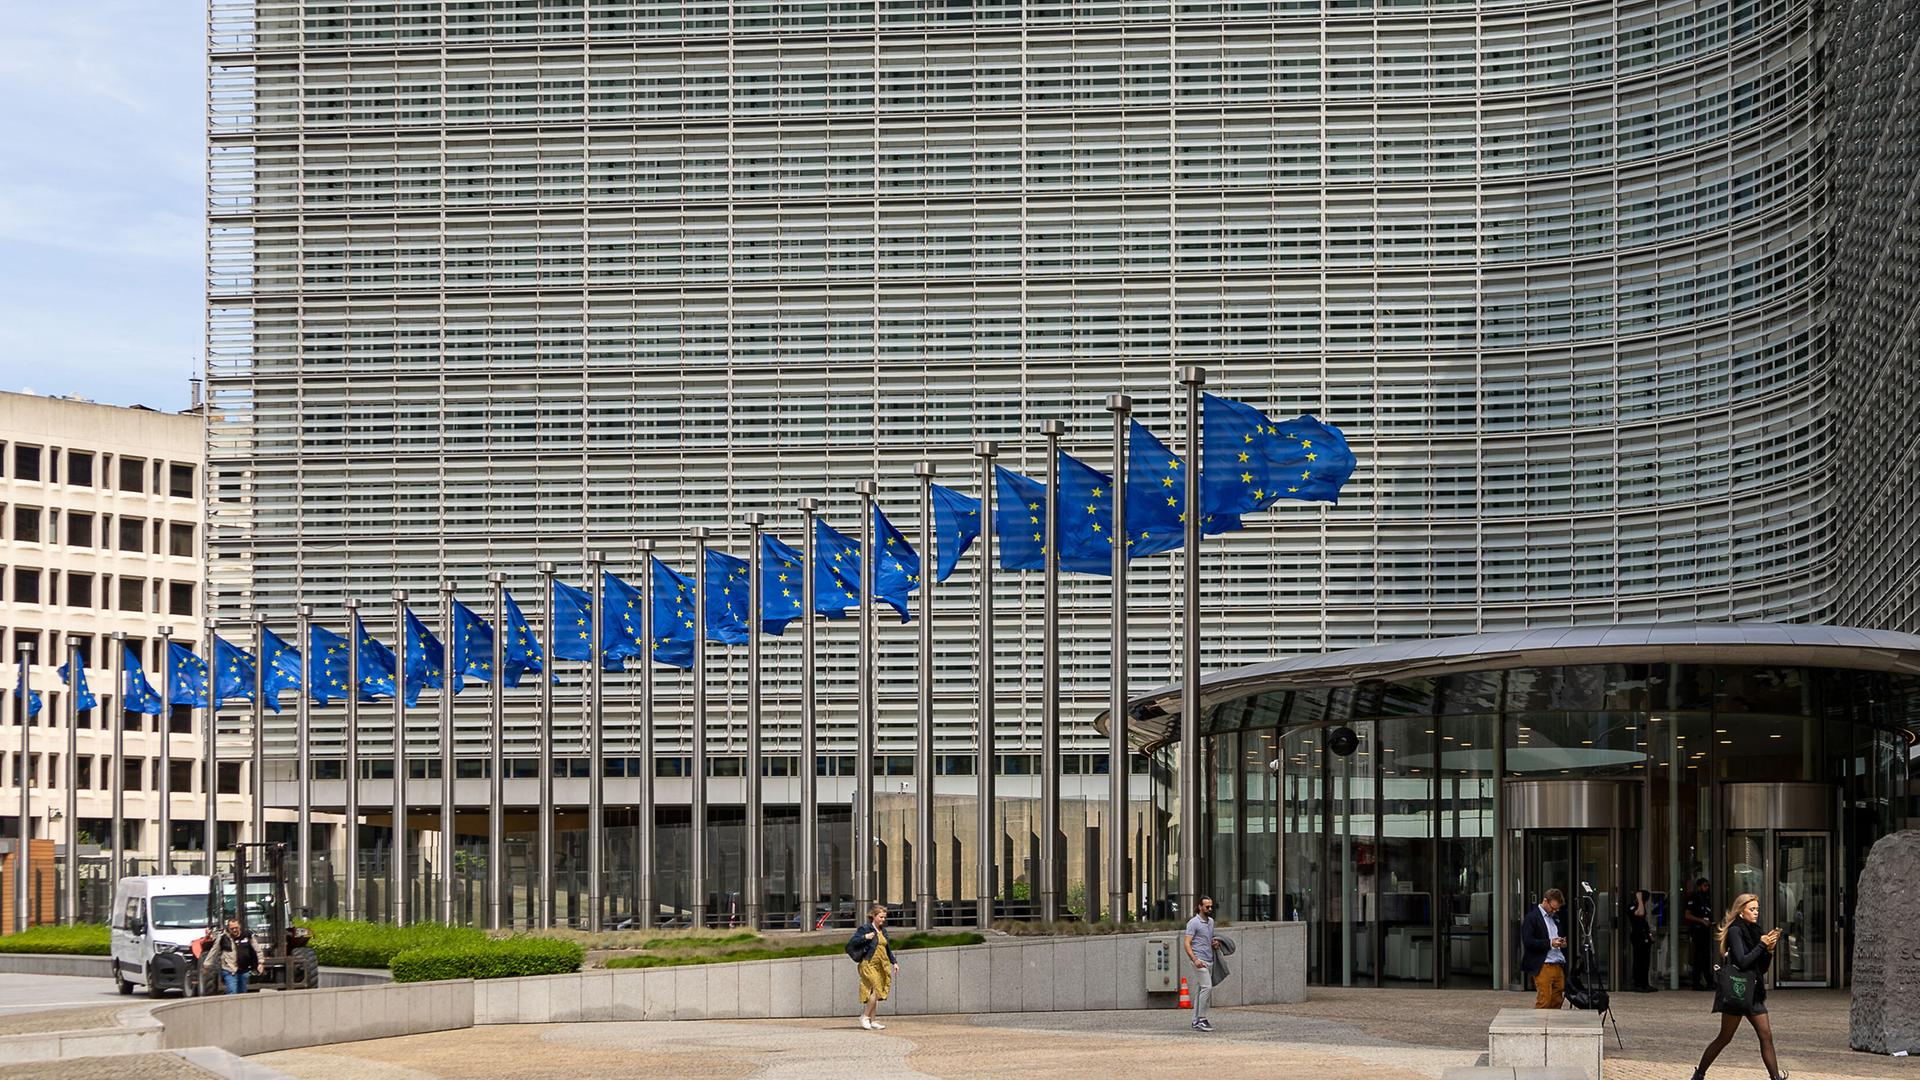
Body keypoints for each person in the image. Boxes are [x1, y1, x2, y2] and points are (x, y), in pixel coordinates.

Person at [1692, 893, 1785, 1080]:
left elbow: (1762, 968)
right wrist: (1761, 945)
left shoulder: (1756, 930)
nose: (1756, 912)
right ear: (1741, 911)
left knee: (1766, 1035)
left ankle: (1775, 1078)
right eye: (1752, 909)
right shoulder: (1736, 930)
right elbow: (1742, 962)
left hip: (1754, 992)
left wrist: (1769, 950)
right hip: (1738, 990)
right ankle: (1699, 1074)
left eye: (1757, 909)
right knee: (1725, 1037)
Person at [851, 904, 898, 1030]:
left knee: (875, 992)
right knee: (876, 989)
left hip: (881, 964)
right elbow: (853, 942)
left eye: (884, 917)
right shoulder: (865, 928)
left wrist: (894, 962)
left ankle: (873, 1020)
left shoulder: (883, 931)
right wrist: (865, 937)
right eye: (881, 917)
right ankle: (865, 1017)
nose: (883, 920)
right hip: (868, 963)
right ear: (874, 916)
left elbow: (887, 948)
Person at [1520, 888, 1568, 1009]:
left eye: (1557, 908)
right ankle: (1540, 1026)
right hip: (1543, 964)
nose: (1555, 910)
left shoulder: (1555, 918)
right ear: (1545, 901)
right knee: (1544, 1000)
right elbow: (1528, 942)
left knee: (1557, 999)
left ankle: (1552, 1026)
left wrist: (1561, 942)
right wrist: (1550, 943)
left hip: (1558, 963)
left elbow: (1556, 936)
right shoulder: (1532, 917)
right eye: (1553, 907)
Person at [1183, 895, 1217, 1033]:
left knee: (1200, 990)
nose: (1210, 909)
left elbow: (1208, 938)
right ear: (1200, 907)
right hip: (1199, 960)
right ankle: (1202, 1019)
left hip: (1209, 959)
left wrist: (1215, 943)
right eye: (1207, 906)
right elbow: (1186, 943)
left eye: (1211, 906)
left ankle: (1195, 1020)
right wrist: (1195, 959)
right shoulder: (1193, 922)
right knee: (1207, 987)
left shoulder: (1211, 922)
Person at [211, 918, 259, 995]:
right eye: (232, 928)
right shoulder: (223, 937)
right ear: (228, 928)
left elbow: (257, 949)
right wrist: (207, 963)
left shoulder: (247, 935)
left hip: (244, 969)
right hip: (229, 969)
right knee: (232, 991)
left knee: (242, 992)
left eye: (236, 928)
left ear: (239, 926)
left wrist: (260, 962)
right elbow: (214, 950)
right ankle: (231, 1006)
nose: (234, 930)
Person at [1684, 878, 1715, 990]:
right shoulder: (1694, 897)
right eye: (1705, 886)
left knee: (1705, 956)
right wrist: (1701, 921)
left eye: (1707, 886)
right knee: (1698, 957)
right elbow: (1687, 915)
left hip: (1705, 931)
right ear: (1699, 886)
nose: (1706, 888)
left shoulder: (1706, 898)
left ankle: (1708, 981)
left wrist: (1709, 923)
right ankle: (1697, 982)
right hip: (1697, 931)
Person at [1628, 888, 1657, 992]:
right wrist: (1639, 899)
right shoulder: (1633, 906)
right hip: (1637, 936)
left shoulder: (1642, 906)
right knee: (1638, 960)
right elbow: (1639, 913)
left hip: (1645, 936)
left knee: (1646, 961)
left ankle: (1645, 983)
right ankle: (1637, 983)